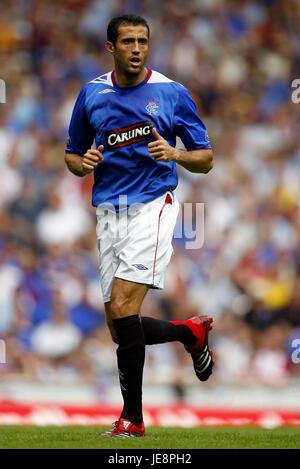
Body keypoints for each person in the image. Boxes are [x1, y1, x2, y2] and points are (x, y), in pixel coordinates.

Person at [64, 14, 214, 438]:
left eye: (142, 41)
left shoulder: (171, 93)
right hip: (109, 212)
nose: (136, 48)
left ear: (148, 45)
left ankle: (132, 418)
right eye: (127, 41)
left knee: (126, 309)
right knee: (119, 326)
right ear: (110, 46)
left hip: (154, 204)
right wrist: (83, 164)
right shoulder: (91, 94)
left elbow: (205, 158)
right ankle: (191, 332)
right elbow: (72, 155)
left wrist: (176, 154)